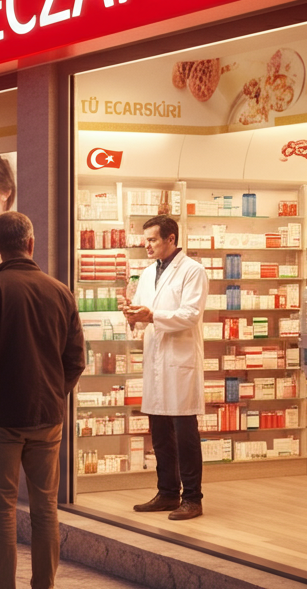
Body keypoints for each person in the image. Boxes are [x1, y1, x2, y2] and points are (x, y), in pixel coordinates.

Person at [0, 212, 84, 589]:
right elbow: (76, 360)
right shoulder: (60, 291)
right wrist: (52, 394)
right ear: (30, 244)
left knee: (2, 510)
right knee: (46, 508)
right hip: (47, 418)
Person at [119, 214, 209, 521]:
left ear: (171, 239)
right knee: (160, 434)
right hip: (156, 360)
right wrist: (132, 315)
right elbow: (145, 315)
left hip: (180, 361)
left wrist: (150, 315)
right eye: (145, 240)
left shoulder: (193, 271)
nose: (147, 245)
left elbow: (190, 315)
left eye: (153, 239)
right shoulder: (146, 274)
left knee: (185, 434)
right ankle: (168, 493)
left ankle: (193, 498)